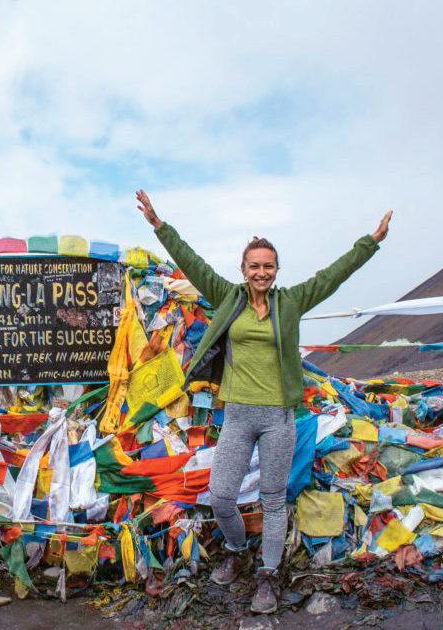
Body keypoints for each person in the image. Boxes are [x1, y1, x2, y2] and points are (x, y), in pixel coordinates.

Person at [135, 189, 391, 614]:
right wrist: (159, 225)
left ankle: (268, 574)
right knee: (220, 496)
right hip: (236, 415)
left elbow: (333, 275)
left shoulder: (289, 302)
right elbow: (193, 263)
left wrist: (371, 241)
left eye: (268, 266)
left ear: (276, 269)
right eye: (254, 266)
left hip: (278, 418)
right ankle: (237, 550)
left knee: (273, 499)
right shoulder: (227, 296)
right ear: (243, 268)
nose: (261, 272)